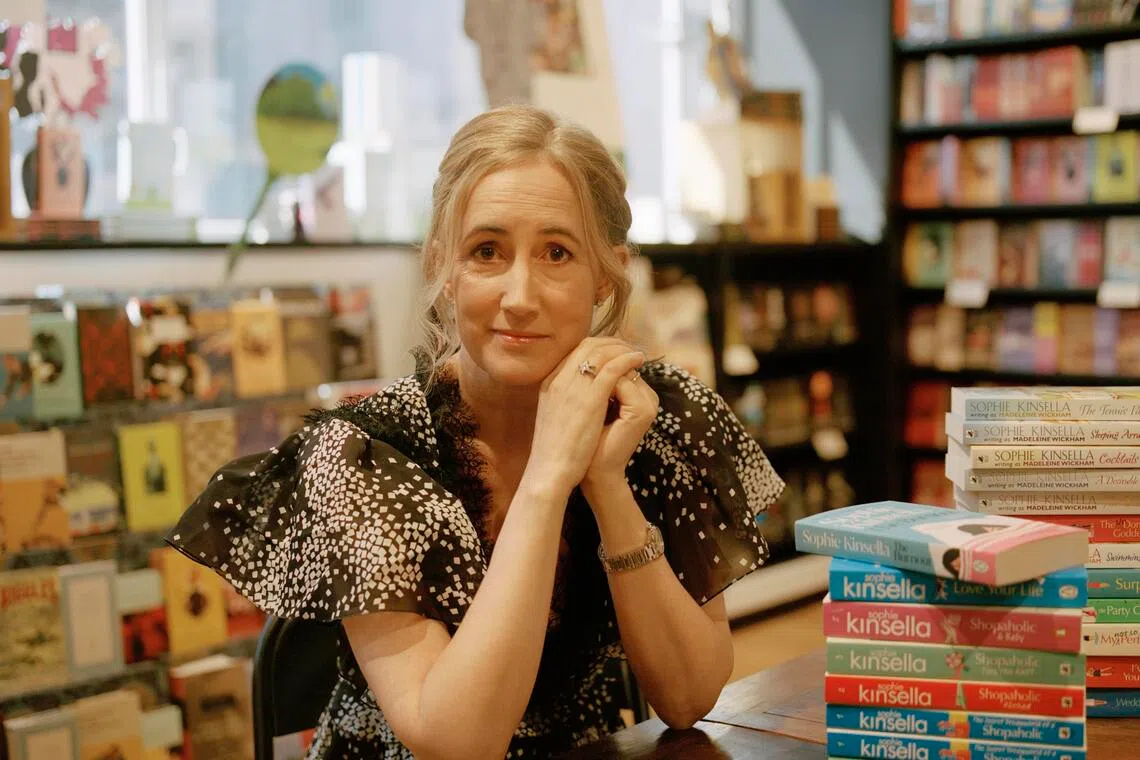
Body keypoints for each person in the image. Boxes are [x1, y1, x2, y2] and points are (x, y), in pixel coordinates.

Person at [166, 104, 784, 759]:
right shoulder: (364, 458)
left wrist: (606, 484)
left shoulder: (653, 423)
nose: (520, 295)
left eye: (557, 252)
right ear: (445, 267)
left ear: (606, 273)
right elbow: (457, 743)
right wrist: (549, 477)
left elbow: (689, 698)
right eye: (487, 251)